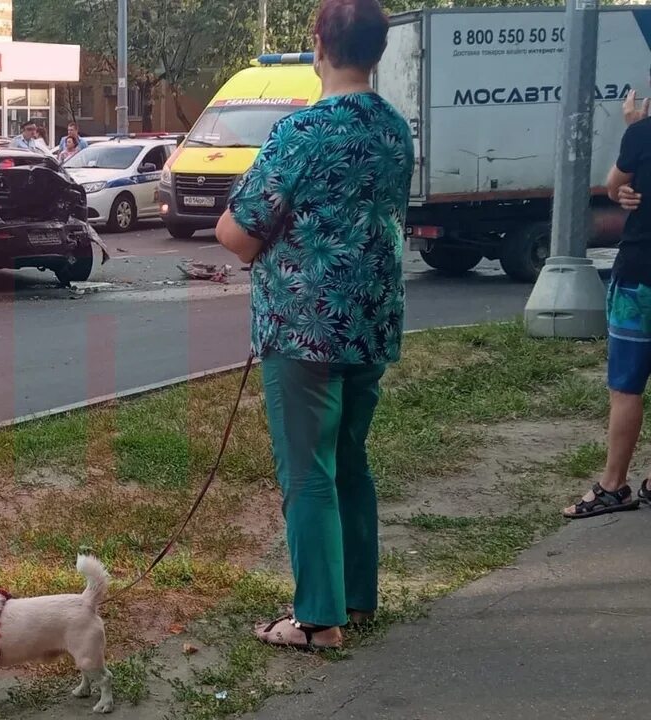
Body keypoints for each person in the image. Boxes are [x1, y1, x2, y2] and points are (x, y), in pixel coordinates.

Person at [215, 0, 413, 650]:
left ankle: (317, 619)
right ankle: (355, 600)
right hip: (371, 321)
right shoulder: (394, 129)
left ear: (319, 43)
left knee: (307, 472)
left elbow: (237, 235)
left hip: (303, 331)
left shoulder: (300, 133)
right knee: (349, 461)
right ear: (377, 49)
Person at [562, 75, 651, 519]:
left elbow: (614, 187)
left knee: (627, 385)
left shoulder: (641, 134)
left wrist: (636, 126)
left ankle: (614, 486)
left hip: (641, 276)